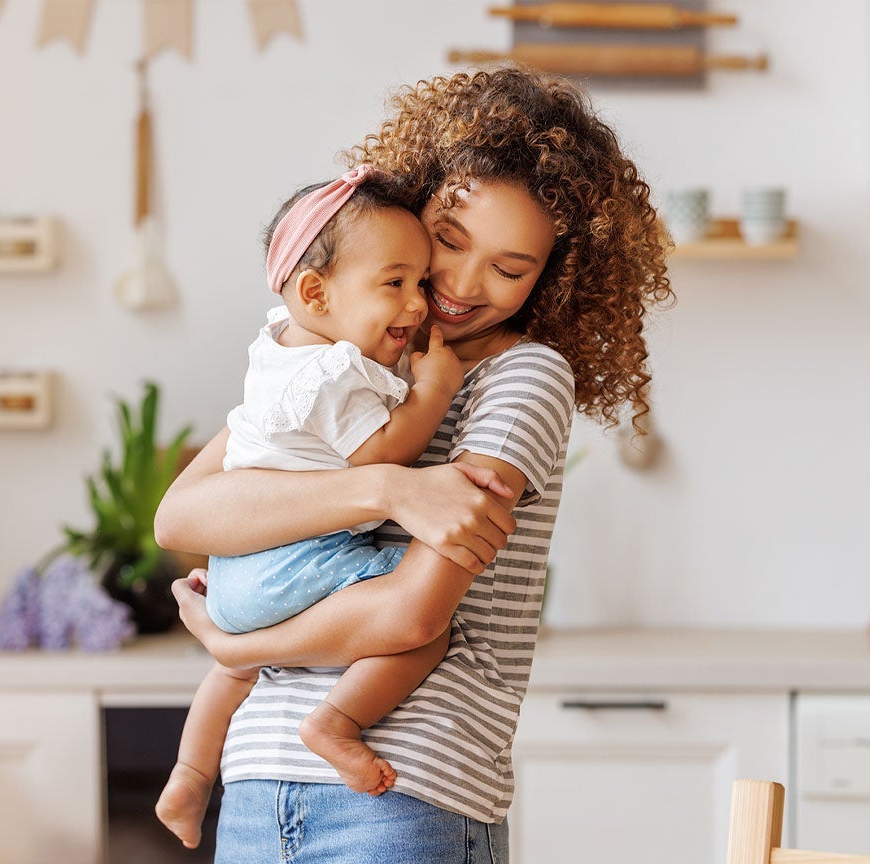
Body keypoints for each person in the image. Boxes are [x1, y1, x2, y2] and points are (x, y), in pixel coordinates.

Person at [154, 67, 674, 863]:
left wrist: (236, 649)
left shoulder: (524, 378)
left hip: (404, 794)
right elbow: (182, 518)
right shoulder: (342, 360)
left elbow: (410, 616)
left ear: (554, 277)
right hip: (256, 782)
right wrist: (386, 484)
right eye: (450, 242)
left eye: (509, 268)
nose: (462, 287)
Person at [153, 165, 470, 848]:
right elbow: (382, 454)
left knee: (235, 665)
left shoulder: (278, 352)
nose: (417, 305)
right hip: (294, 561)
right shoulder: (334, 372)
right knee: (426, 623)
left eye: (421, 283)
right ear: (315, 292)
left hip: (238, 571)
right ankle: (337, 722)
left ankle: (188, 774)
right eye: (395, 284)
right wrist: (435, 390)